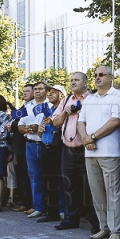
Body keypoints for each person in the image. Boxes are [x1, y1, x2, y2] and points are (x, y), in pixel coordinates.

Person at [78, 66, 120, 239]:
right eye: (95, 75)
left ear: (111, 77)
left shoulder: (118, 96)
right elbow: (80, 121)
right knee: (97, 192)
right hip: (90, 152)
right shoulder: (89, 99)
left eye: (101, 75)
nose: (97, 78)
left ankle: (116, 230)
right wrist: (85, 139)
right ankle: (104, 226)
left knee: (114, 192)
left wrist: (92, 137)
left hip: (110, 151)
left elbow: (115, 121)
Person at [52, 72, 100, 232]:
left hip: (86, 149)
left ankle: (96, 222)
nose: (73, 82)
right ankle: (70, 219)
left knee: (91, 187)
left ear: (85, 83)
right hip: (67, 149)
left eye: (76, 80)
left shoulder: (93, 99)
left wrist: (81, 113)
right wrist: (66, 112)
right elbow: (55, 122)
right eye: (71, 80)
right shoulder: (66, 100)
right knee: (68, 185)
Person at [18, 82, 50, 218]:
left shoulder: (49, 104)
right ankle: (38, 207)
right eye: (35, 89)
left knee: (51, 177)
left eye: (40, 89)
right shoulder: (27, 106)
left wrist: (38, 127)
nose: (37, 91)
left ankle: (55, 208)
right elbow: (19, 125)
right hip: (30, 144)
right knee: (34, 178)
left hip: (45, 145)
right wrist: (26, 129)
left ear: (46, 91)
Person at [37, 85, 67, 222]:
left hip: (58, 148)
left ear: (61, 95)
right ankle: (52, 212)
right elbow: (38, 132)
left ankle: (64, 211)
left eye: (53, 93)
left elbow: (66, 127)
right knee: (48, 181)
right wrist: (40, 129)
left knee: (61, 181)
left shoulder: (64, 109)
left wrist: (54, 122)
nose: (50, 95)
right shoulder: (47, 109)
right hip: (45, 146)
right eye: (49, 92)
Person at [11, 84, 34, 213]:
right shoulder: (22, 107)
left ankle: (30, 202)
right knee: (22, 175)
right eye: (23, 91)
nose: (24, 93)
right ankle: (26, 201)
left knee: (28, 175)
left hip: (27, 144)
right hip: (18, 146)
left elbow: (16, 122)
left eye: (27, 91)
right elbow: (14, 120)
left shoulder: (33, 107)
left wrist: (12, 124)